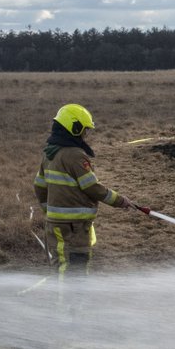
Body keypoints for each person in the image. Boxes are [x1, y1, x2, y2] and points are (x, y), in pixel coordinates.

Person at [33, 103, 140, 278]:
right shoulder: (75, 155)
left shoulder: (49, 153)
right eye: (84, 129)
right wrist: (120, 200)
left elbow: (39, 186)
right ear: (74, 128)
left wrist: (49, 211)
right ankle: (69, 306)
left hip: (56, 225)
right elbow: (92, 187)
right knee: (74, 270)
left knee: (61, 266)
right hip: (73, 227)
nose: (86, 134)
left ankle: (64, 304)